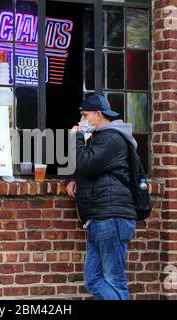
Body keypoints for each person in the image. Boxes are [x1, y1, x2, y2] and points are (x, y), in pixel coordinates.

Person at [66, 94, 137, 300]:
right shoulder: (100, 138)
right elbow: (87, 167)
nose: (81, 121)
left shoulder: (112, 138)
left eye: (85, 115)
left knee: (114, 280)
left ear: (98, 115)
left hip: (111, 216)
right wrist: (71, 178)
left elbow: (86, 163)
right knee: (93, 279)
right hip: (100, 217)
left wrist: (76, 138)